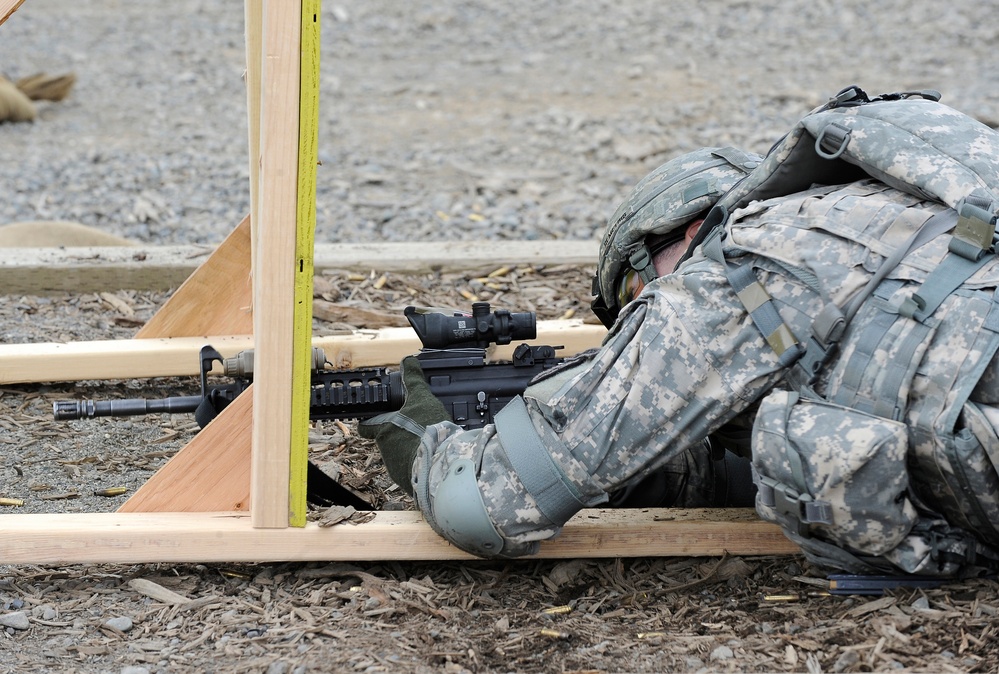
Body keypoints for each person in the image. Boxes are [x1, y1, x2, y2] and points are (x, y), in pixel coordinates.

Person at [360, 88, 999, 577]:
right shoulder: (907, 192)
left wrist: (418, 433)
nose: (643, 325)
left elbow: (484, 506)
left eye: (636, 302)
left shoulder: (732, 273)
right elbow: (882, 390)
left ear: (681, 237)